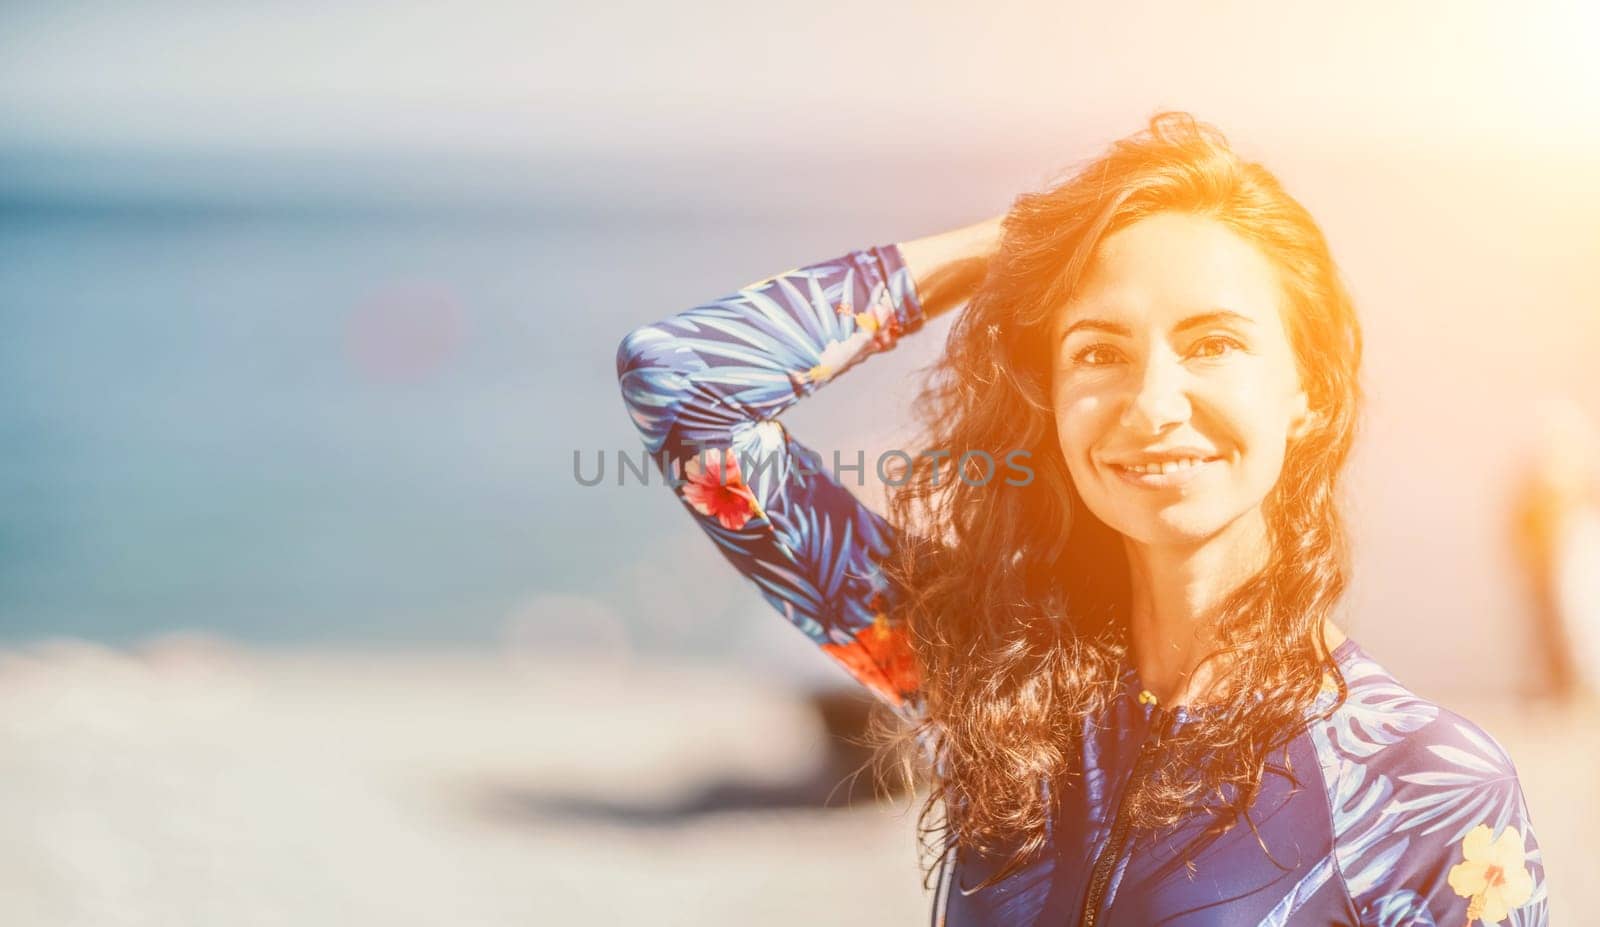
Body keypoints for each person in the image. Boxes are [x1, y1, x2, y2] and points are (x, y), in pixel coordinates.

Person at [614, 112, 1548, 926]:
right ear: (1051, 401)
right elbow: (684, 383)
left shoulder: (1423, 791)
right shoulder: (983, 675)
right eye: (1098, 352)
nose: (1153, 402)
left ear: (1308, 389)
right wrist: (1022, 244)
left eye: (1213, 343)